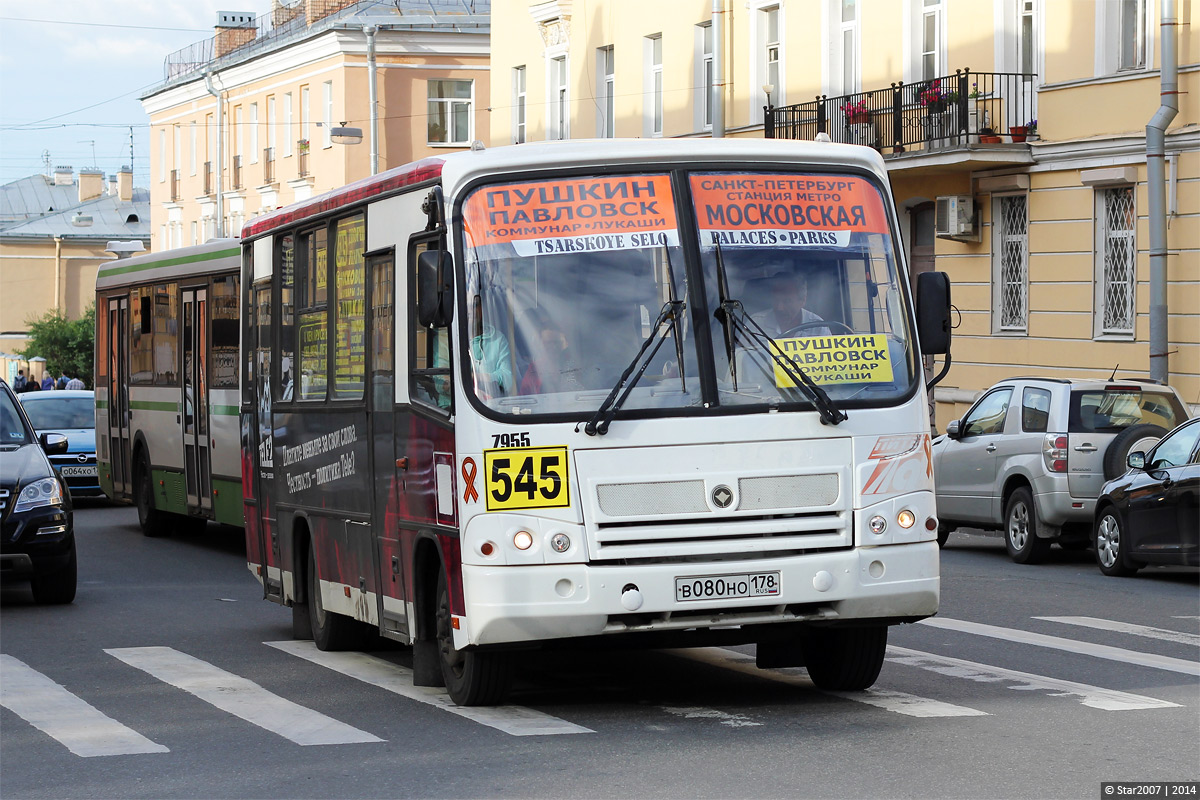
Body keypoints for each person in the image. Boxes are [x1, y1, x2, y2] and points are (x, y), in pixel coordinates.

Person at [519, 310, 582, 395]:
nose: (553, 347)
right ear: (540, 344)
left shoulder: (577, 365)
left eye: (557, 342)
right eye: (548, 343)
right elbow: (524, 397)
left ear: (566, 343)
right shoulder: (534, 368)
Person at [751, 272, 830, 338]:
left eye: (787, 301)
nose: (780, 308)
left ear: (802, 300)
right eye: (776, 300)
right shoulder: (756, 324)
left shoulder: (818, 327)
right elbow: (743, 355)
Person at [469, 295, 512, 398]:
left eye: (475, 306)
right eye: (469, 306)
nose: (472, 311)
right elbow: (445, 381)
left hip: (492, 407)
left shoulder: (498, 339)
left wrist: (480, 377)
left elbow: (508, 379)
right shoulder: (449, 339)